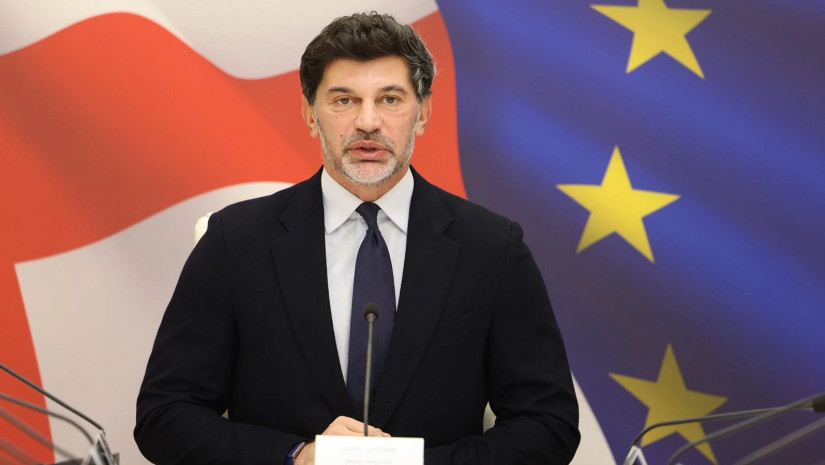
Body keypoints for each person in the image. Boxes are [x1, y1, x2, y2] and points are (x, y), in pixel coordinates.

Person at [135, 12, 579, 465]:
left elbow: (548, 423)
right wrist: (296, 456)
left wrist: (411, 464)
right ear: (310, 114)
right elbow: (165, 414)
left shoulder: (492, 247)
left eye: (390, 99)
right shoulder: (235, 241)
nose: (368, 122)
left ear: (423, 112)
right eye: (344, 100)